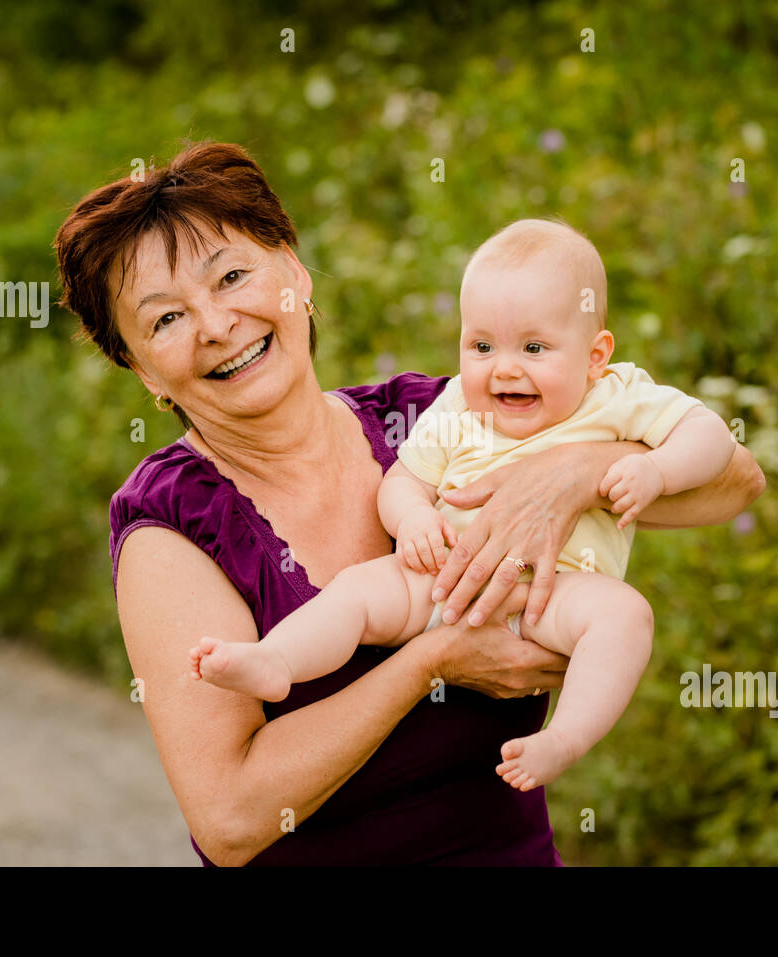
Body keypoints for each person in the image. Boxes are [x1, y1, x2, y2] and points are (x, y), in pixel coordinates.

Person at [53, 141, 766, 865]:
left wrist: (581, 469)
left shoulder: (438, 421)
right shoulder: (172, 522)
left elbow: (734, 482)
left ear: (294, 274)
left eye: (233, 276)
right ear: (144, 372)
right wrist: (433, 660)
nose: (214, 324)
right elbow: (231, 820)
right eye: (165, 319)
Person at [189, 219, 738, 792]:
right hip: (443, 584)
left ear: (596, 355)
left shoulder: (617, 397)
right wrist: (416, 518)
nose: (504, 367)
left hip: (552, 597)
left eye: (534, 348)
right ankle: (277, 661)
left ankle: (565, 739)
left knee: (625, 617)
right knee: (355, 592)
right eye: (481, 346)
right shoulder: (457, 407)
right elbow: (402, 481)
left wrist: (654, 469)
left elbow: (713, 437)